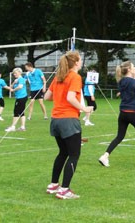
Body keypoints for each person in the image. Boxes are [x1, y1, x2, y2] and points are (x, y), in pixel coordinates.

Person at [43, 51, 94, 199]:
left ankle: (53, 185)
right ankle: (64, 189)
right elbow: (70, 97)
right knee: (74, 154)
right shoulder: (75, 77)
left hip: (56, 120)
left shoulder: (59, 76)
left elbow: (47, 96)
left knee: (63, 153)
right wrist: (84, 109)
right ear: (77, 62)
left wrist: (60, 98)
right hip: (69, 120)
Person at [98, 61, 135, 168]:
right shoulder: (134, 82)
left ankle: (105, 156)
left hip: (123, 113)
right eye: (133, 67)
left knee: (119, 136)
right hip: (133, 113)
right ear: (129, 69)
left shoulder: (121, 81)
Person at [5, 68, 29, 132]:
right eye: (14, 73)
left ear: (19, 73)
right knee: (21, 112)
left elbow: (20, 87)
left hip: (22, 97)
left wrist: (13, 90)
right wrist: (13, 82)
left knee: (16, 112)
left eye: (15, 73)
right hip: (19, 97)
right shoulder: (17, 80)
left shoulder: (21, 79)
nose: (14, 74)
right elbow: (10, 87)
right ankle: (22, 127)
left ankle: (13, 126)